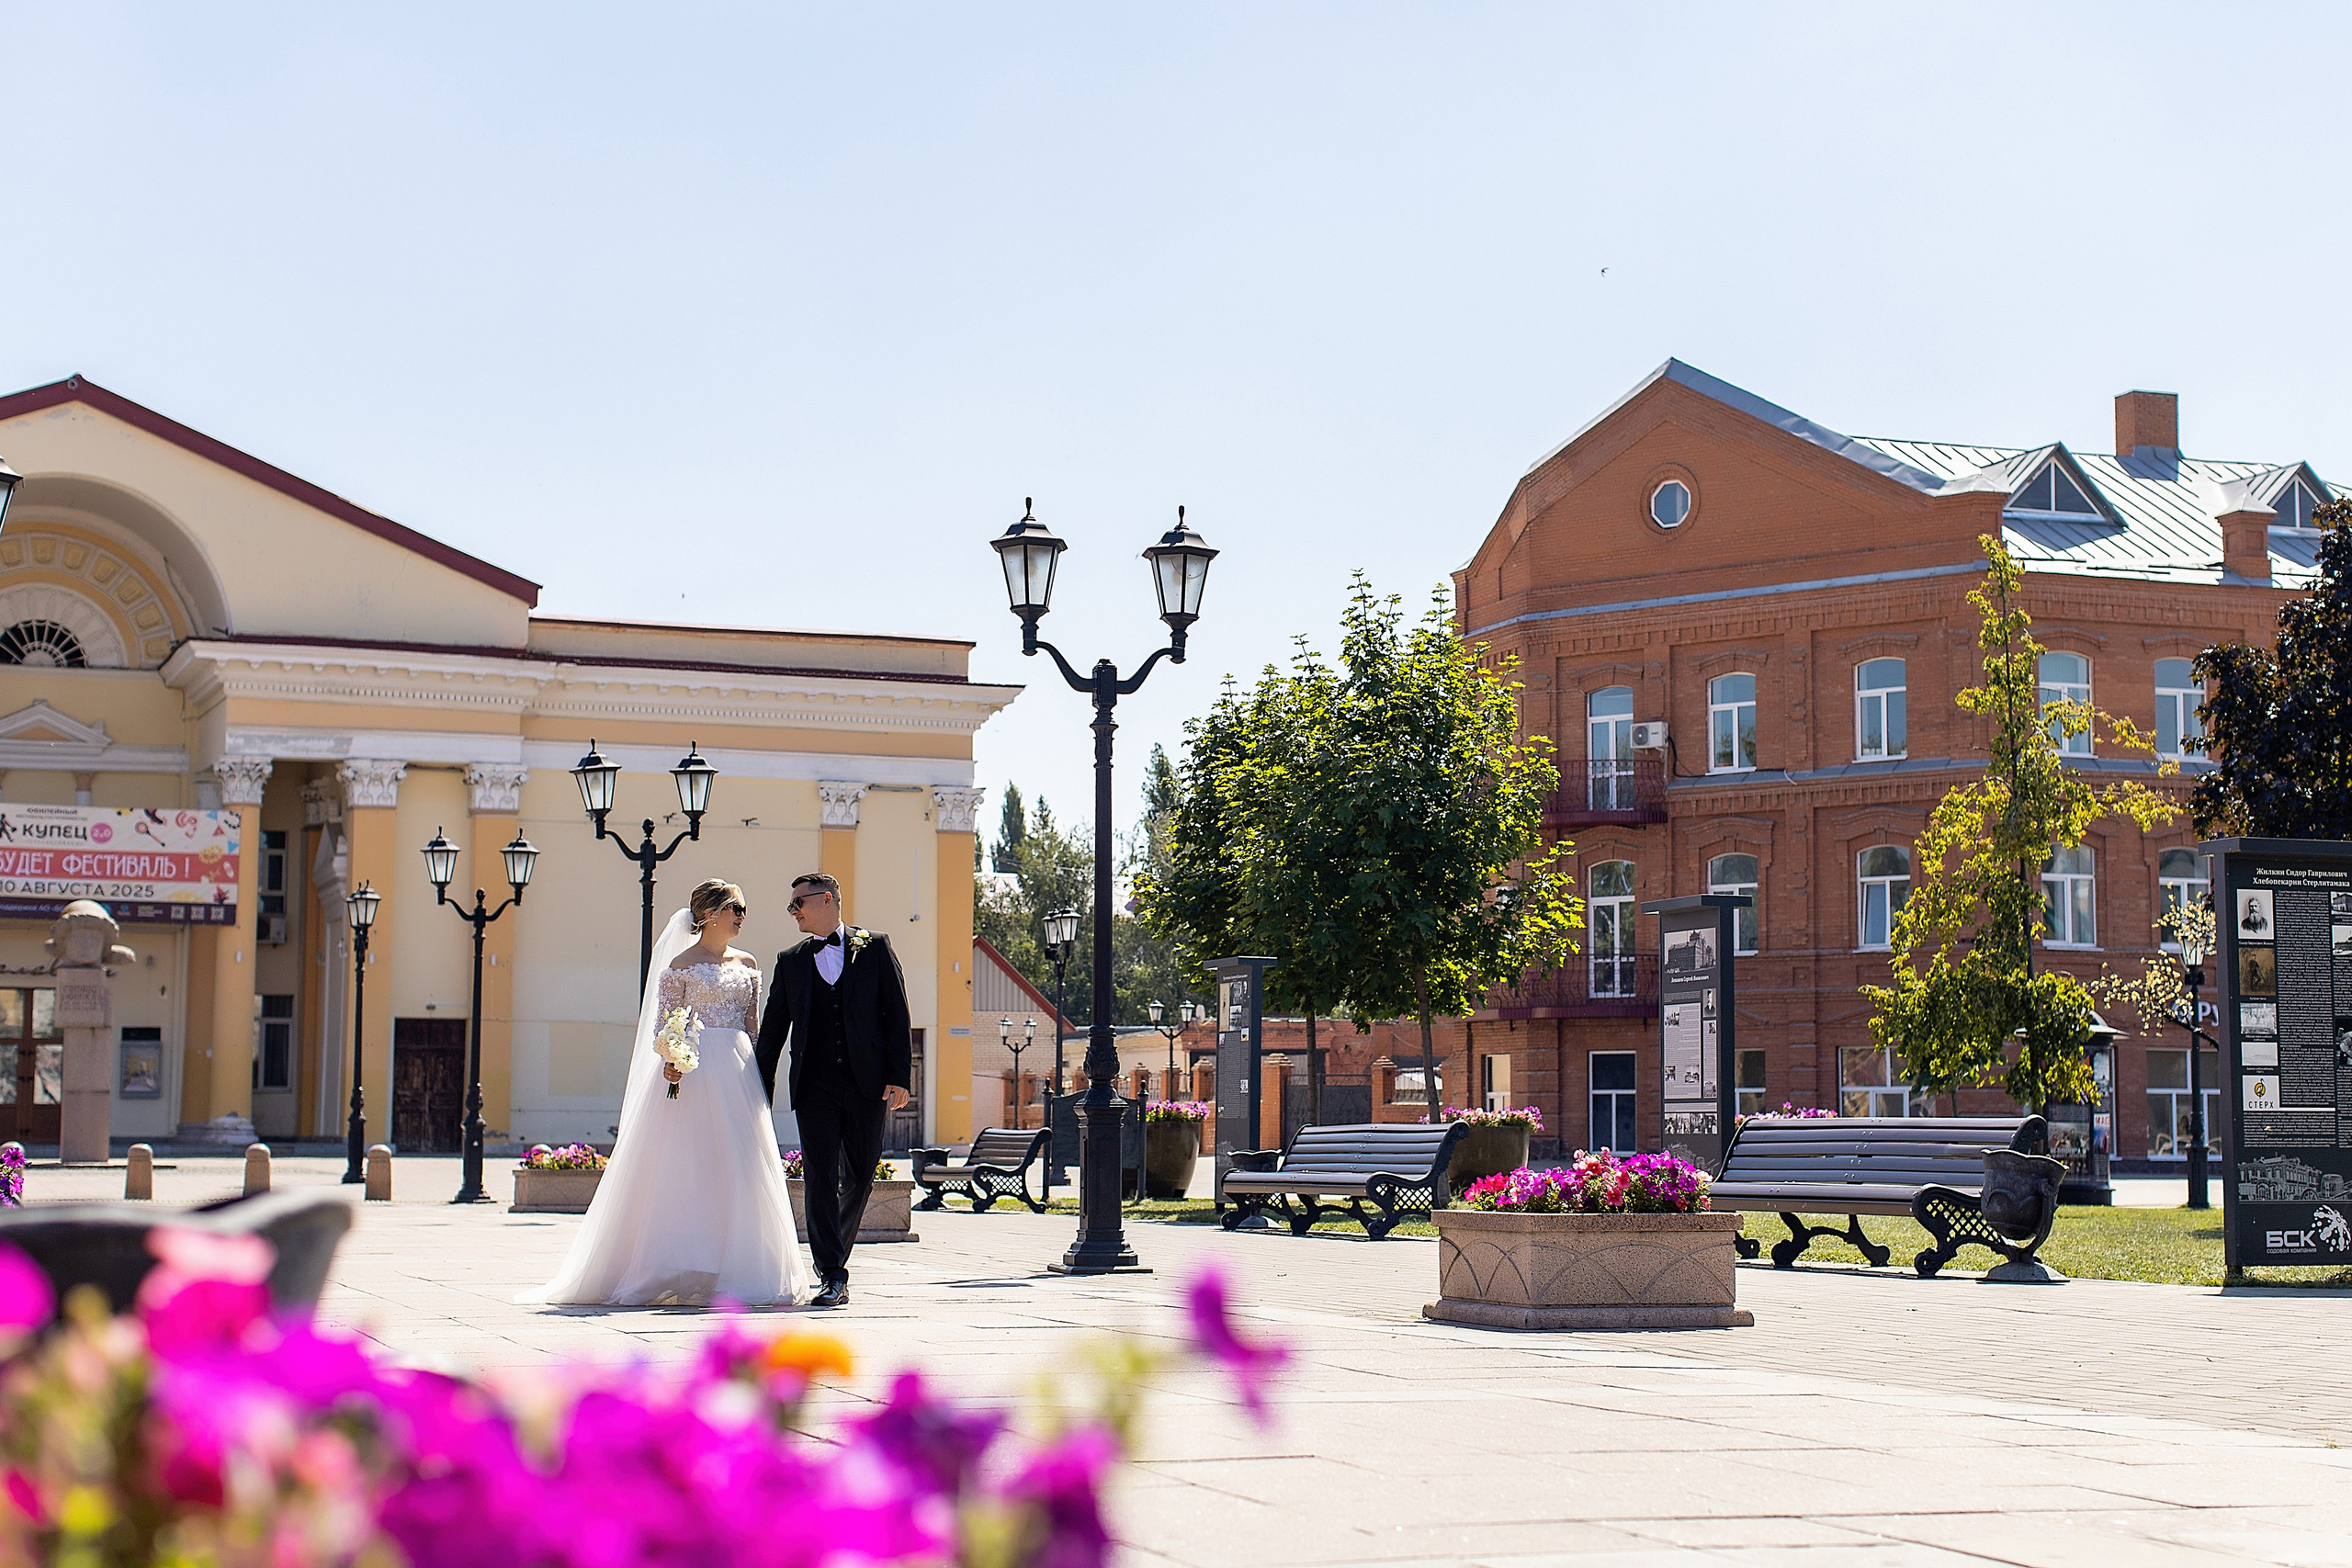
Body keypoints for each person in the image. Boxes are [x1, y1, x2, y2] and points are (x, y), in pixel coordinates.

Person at [521, 879, 813, 1308]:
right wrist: (674, 1059)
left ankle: (741, 1269)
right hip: (693, 1073)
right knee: (686, 1165)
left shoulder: (749, 962)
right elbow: (664, 1026)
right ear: (711, 913)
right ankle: (675, 1264)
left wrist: (756, 1075)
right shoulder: (679, 965)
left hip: (738, 1073)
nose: (742, 917)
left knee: (740, 1166)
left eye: (743, 910)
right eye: (736, 909)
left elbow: (752, 1029)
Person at [753, 872, 911, 1310]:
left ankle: (833, 1260)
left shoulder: (875, 947)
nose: (793, 913)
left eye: (797, 904)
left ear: (826, 900)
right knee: (821, 1178)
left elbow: (897, 1015)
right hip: (814, 1086)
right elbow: (772, 1033)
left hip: (868, 1084)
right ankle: (832, 1274)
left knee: (861, 1175)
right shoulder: (790, 961)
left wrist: (900, 1075)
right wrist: (757, 1090)